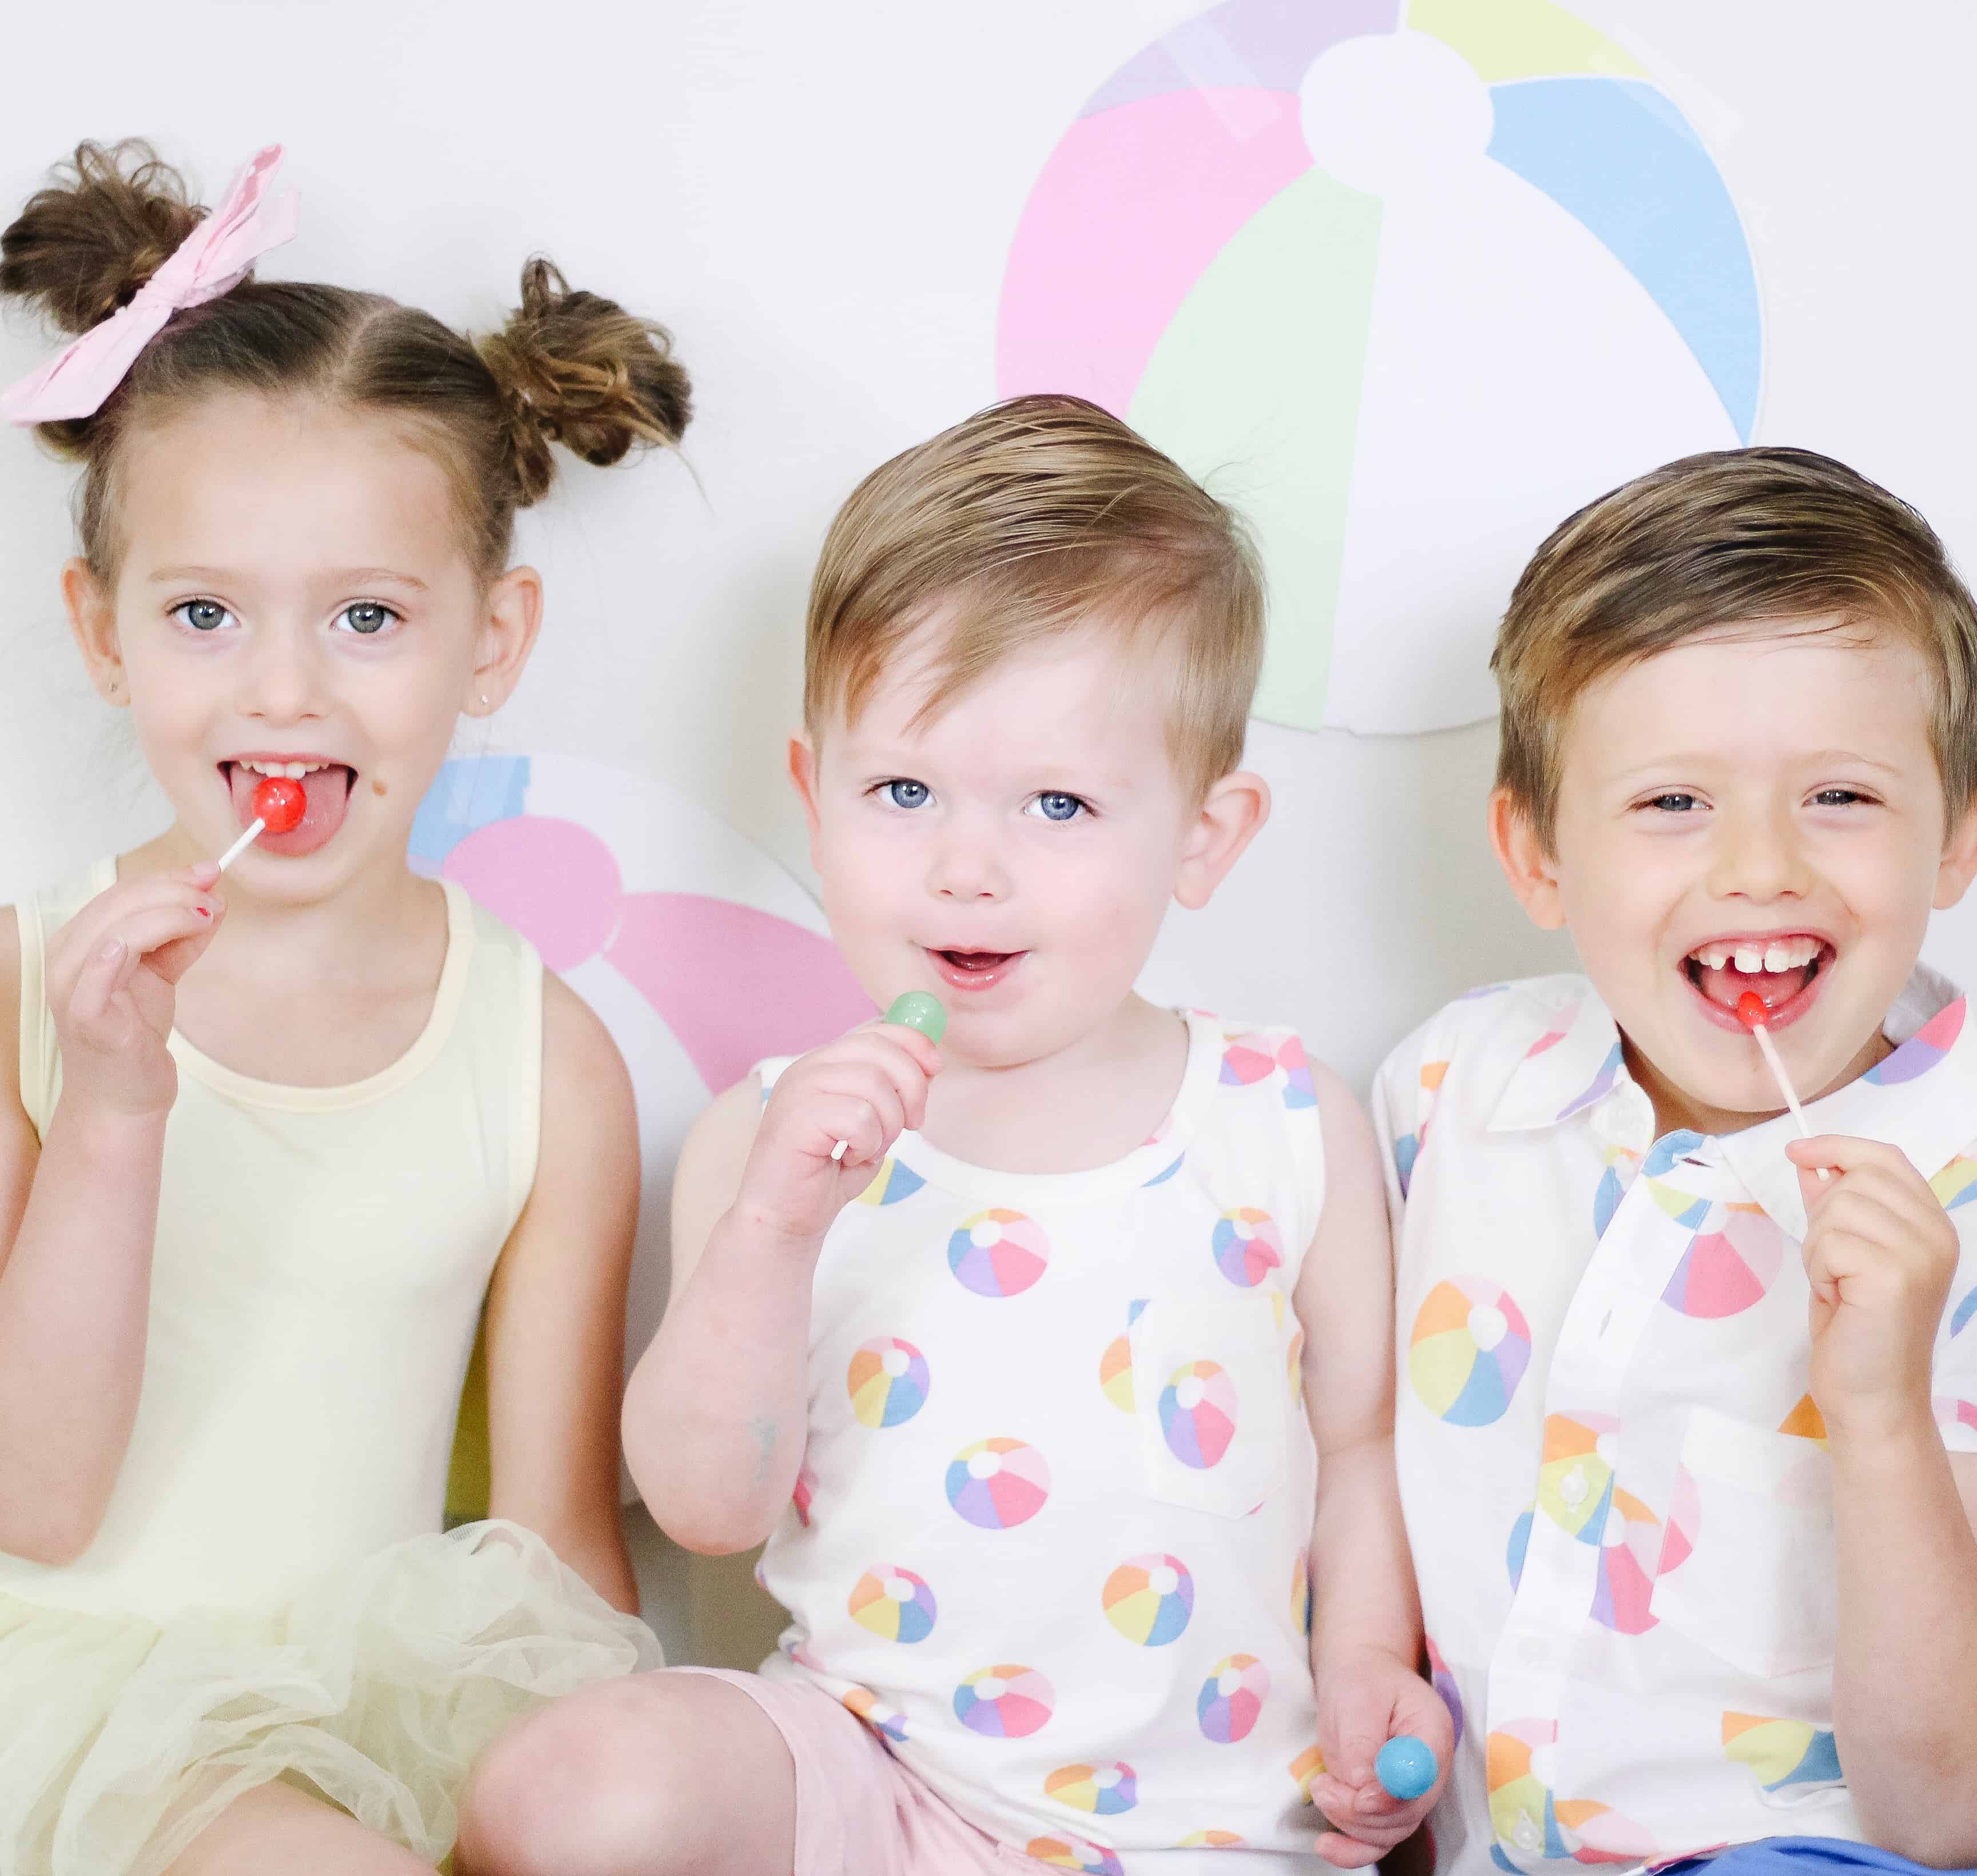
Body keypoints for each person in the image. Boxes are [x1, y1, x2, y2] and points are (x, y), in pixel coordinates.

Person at [458, 395, 1452, 1876]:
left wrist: (1374, 1667)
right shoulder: (773, 1136)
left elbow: (1364, 1448)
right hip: (871, 1780)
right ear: (814, 795)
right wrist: (771, 1232)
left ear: (1205, 832)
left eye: (1058, 803)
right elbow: (704, 1510)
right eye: (904, 791)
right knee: (576, 1787)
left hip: (1212, 1831)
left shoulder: (1282, 1123)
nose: (967, 869)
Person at [0, 140, 692, 1875]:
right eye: (206, 613)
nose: (285, 689)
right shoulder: (21, 982)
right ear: (103, 635)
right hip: (65, 1716)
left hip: (371, 1727)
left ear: (492, 641)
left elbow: (552, 1559)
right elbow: (36, 1499)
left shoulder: (543, 1056)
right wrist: (111, 1105)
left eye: (369, 617)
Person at [1375, 448, 1977, 1875]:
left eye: (1840, 796)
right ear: (1535, 856)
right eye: (1671, 804)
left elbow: (1948, 1820)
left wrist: (1880, 1417)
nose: (1760, 866)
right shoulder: (1450, 1096)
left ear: (1957, 836)